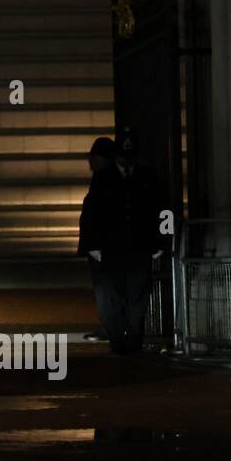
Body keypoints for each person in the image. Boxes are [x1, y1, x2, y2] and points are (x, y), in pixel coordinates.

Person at [80, 127, 164, 355]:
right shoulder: (103, 179)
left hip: (139, 248)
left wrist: (160, 243)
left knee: (137, 299)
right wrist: (93, 245)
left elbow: (162, 210)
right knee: (115, 299)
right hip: (113, 248)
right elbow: (91, 213)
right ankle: (118, 343)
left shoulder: (148, 177)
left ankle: (133, 343)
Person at [79, 136, 118, 342]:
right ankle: (112, 326)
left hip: (102, 245)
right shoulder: (107, 179)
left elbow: (96, 215)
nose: (89, 161)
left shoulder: (104, 181)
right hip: (104, 244)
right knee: (107, 287)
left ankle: (110, 327)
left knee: (105, 287)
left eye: (93, 157)